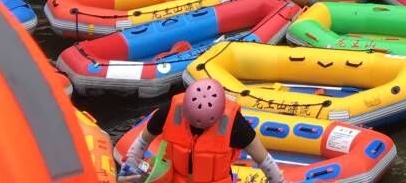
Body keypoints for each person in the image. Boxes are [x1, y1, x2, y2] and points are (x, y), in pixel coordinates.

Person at [119, 78, 285, 183]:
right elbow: (144, 140)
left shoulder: (235, 124)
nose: (197, 129)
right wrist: (131, 163)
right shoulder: (170, 109)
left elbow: (263, 159)